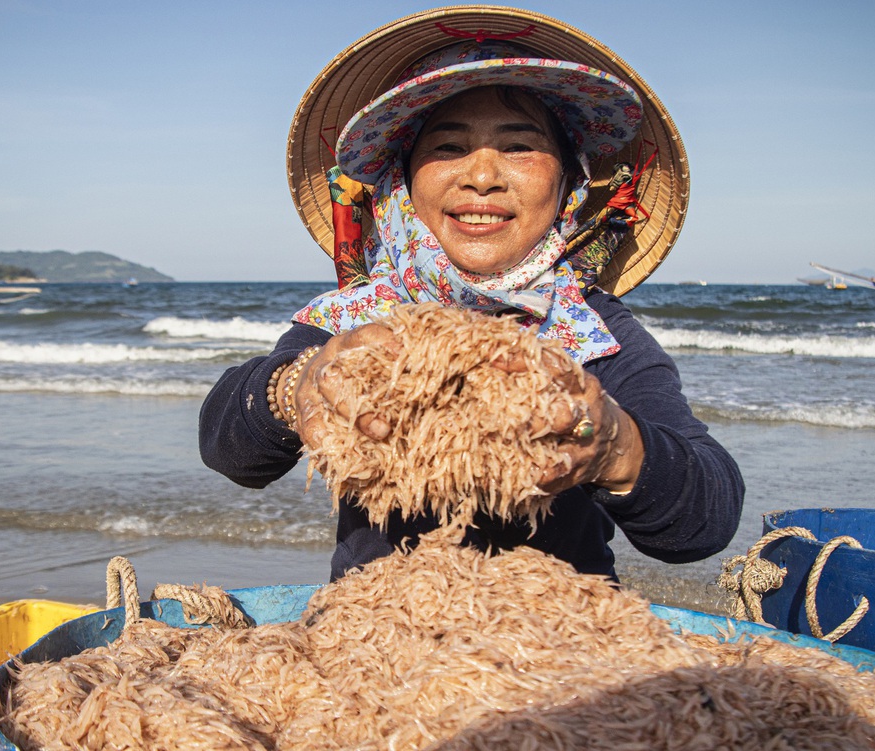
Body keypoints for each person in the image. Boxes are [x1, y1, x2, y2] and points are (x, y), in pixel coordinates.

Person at [200, 8, 744, 582]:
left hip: (558, 621)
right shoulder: (357, 321)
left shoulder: (591, 334)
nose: (482, 176)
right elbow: (228, 448)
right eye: (449, 146)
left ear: (568, 182)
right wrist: (296, 385)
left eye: (518, 146)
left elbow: (704, 522)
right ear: (402, 181)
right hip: (375, 616)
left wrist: (612, 443)